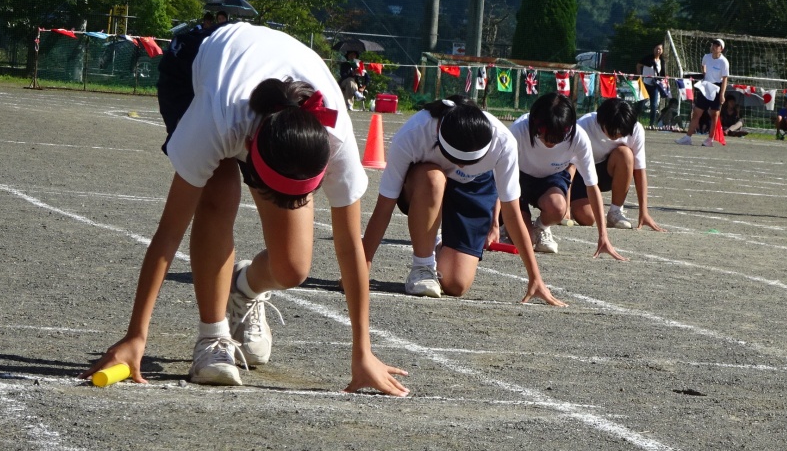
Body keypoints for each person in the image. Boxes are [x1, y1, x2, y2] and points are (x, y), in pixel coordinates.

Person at [80, 23, 409, 395]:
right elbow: (169, 232)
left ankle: (243, 289)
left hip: (271, 92)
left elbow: (351, 248)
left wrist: (363, 352)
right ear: (251, 147)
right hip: (196, 70)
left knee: (293, 267)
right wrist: (136, 335)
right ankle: (212, 338)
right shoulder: (218, 121)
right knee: (218, 193)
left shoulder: (336, 139)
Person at [361, 96, 565, 305]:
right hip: (423, 184)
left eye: (472, 162)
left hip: (474, 186)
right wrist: (361, 264)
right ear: (440, 140)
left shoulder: (503, 142)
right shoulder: (413, 134)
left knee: (456, 284)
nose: (463, 168)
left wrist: (535, 276)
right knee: (434, 178)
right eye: (458, 161)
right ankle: (422, 266)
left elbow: (512, 213)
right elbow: (384, 207)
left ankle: (438, 243)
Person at [509, 93, 625, 259]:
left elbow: (592, 186)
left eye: (558, 138)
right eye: (545, 136)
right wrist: (493, 226)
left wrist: (603, 236)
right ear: (535, 122)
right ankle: (507, 225)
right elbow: (500, 178)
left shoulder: (578, 137)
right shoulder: (518, 130)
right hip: (518, 179)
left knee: (557, 208)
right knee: (521, 239)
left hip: (550, 179)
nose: (551, 143)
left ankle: (541, 227)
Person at [570, 97, 664, 232]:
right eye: (614, 131)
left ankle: (615, 212)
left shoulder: (635, 129)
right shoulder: (583, 126)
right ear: (602, 122)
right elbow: (568, 166)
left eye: (622, 132)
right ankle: (574, 207)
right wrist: (565, 206)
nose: (619, 134)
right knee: (588, 219)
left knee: (625, 154)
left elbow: (639, 170)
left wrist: (644, 211)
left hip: (605, 173)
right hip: (579, 174)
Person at [677, 38, 728, 146]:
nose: (714, 47)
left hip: (717, 87)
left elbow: (725, 79)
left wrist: (722, 94)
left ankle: (710, 139)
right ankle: (688, 137)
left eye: (717, 45)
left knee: (714, 115)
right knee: (697, 112)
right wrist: (704, 74)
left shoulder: (724, 62)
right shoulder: (706, 57)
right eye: (713, 44)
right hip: (706, 86)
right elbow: (703, 66)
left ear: (721, 49)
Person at [638, 43, 669, 129]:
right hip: (645, 84)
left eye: (660, 49)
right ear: (654, 49)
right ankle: (634, 121)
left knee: (654, 105)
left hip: (655, 86)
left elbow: (662, 73)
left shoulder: (662, 61)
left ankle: (651, 124)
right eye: (657, 48)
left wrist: (665, 81)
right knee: (641, 104)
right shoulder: (648, 58)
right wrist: (640, 75)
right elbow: (638, 65)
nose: (658, 50)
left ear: (662, 51)